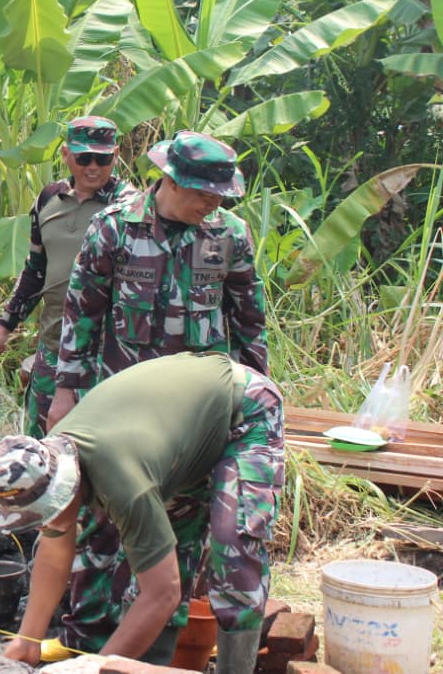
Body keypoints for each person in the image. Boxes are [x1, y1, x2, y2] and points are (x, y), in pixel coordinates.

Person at [52, 129, 270, 652]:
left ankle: (156, 653)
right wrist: (66, 390)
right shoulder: (114, 230)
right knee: (103, 532)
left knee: (181, 537)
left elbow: (249, 322)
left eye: (220, 196)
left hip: (195, 418)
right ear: (169, 180)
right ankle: (86, 644)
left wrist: (252, 406)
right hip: (123, 413)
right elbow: (83, 312)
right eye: (202, 193)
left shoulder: (228, 234)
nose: (211, 204)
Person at [0, 352, 284, 673]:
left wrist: (95, 666)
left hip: (243, 407)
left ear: (66, 484)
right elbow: (55, 549)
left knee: (232, 551)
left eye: (51, 508)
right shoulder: (55, 457)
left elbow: (163, 592)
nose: (52, 519)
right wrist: (28, 640)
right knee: (158, 563)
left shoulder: (123, 483)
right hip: (174, 440)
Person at [0, 116, 136, 438]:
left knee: (102, 438)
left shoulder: (131, 207)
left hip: (109, 348)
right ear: (66, 155)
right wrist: (3, 327)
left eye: (103, 159)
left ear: (116, 156)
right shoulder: (48, 199)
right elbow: (36, 269)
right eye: (84, 158)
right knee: (44, 436)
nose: (93, 167)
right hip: (54, 341)